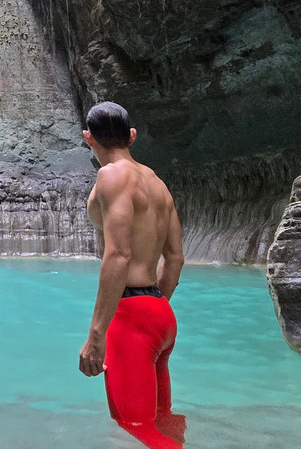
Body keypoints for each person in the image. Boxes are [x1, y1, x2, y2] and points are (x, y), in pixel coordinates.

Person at [78, 102, 186, 449]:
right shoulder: (157, 183)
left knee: (137, 426)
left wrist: (96, 334)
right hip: (160, 314)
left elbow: (119, 254)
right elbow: (175, 258)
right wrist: (155, 308)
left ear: (88, 138)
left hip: (132, 316)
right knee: (162, 423)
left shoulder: (111, 176)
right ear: (132, 136)